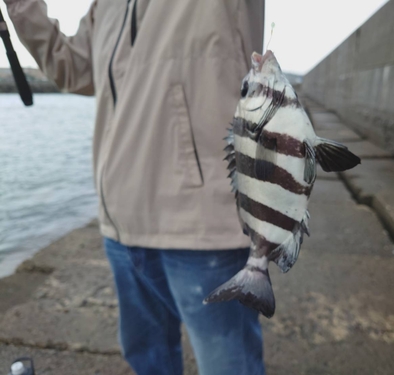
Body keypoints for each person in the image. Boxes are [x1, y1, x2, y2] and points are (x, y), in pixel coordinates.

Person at [3, 0, 265, 374]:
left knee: (229, 364)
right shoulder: (104, 6)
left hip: (203, 227)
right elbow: (73, 69)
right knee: (148, 359)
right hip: (122, 225)